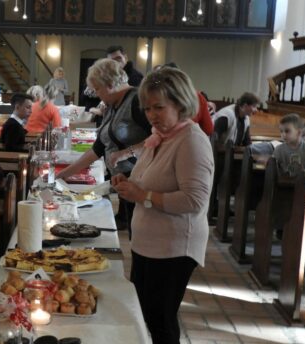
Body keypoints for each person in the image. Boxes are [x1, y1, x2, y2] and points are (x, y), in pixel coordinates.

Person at [111, 67, 213, 343]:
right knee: (144, 313)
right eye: (147, 109)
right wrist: (127, 183)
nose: (152, 115)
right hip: (149, 244)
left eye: (159, 107)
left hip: (173, 248)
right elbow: (148, 179)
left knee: (161, 321)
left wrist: (142, 195)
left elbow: (194, 200)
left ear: (180, 103)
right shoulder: (161, 137)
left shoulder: (191, 141)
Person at [56, 58, 151, 235]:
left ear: (109, 84)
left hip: (143, 181)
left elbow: (159, 138)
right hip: (124, 181)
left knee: (143, 236)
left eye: (97, 89)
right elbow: (98, 148)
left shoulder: (137, 101)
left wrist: (126, 152)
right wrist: (64, 174)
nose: (97, 94)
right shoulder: (112, 105)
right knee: (135, 235)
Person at [273, 114, 305, 183]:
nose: (283, 135)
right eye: (281, 131)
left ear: (298, 133)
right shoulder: (279, 149)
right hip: (284, 183)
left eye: (287, 131)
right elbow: (273, 166)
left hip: (303, 183)